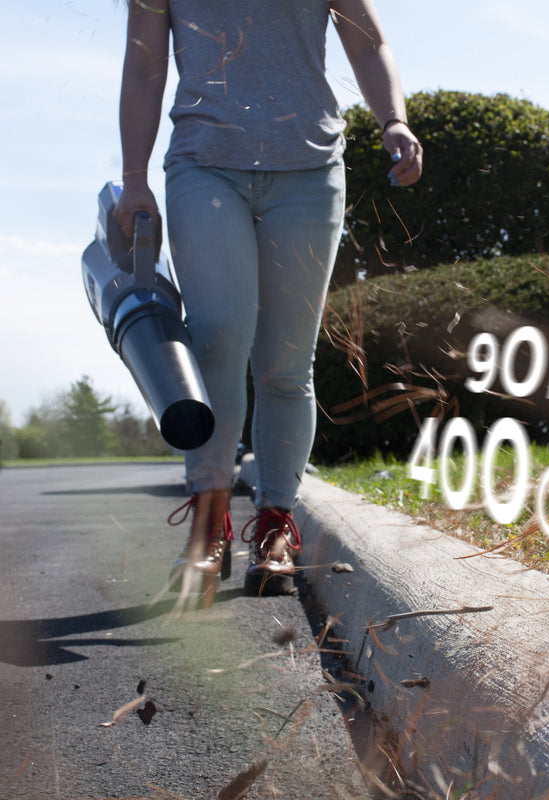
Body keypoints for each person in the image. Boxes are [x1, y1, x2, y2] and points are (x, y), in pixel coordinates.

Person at [113, 0, 422, 596]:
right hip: (205, 165)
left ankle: (277, 523)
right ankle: (208, 520)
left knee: (285, 360)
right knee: (216, 337)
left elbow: (366, 40)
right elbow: (144, 65)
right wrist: (133, 178)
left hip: (308, 171)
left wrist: (393, 121)